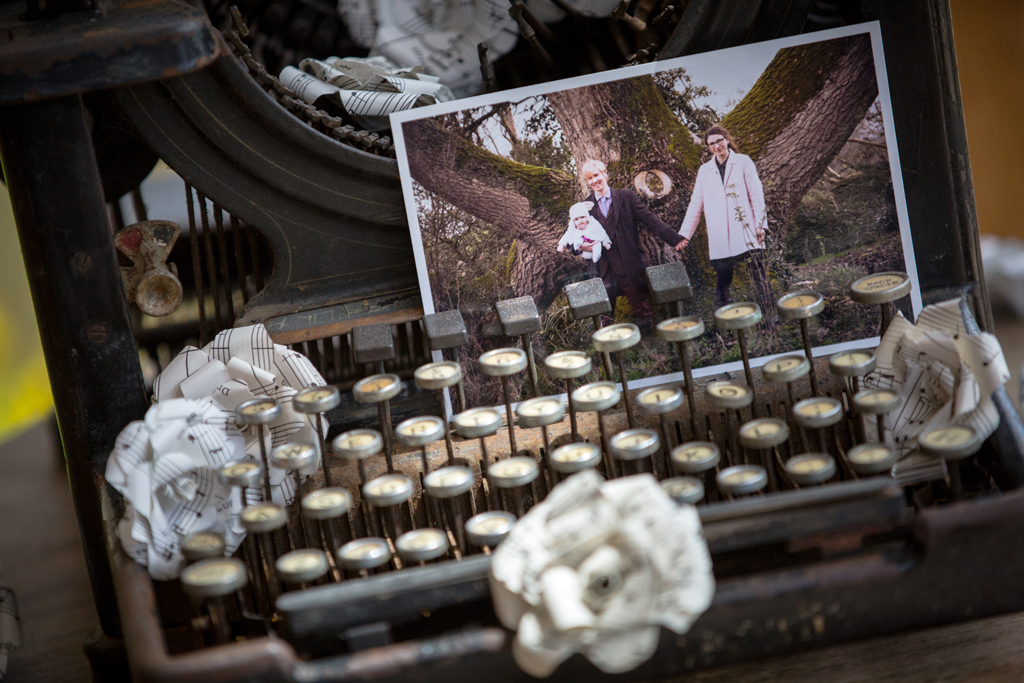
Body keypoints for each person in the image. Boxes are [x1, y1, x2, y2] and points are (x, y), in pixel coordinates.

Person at [677, 125, 775, 316]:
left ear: (727, 140)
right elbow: (695, 204)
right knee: (723, 282)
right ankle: (721, 325)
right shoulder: (705, 171)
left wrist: (760, 225)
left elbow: (756, 195)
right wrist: (684, 235)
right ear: (708, 147)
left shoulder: (743, 162)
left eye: (719, 141)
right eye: (712, 144)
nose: (717, 146)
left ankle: (771, 319)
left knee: (759, 276)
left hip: (746, 231)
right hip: (720, 236)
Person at [579, 159, 685, 326]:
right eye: (590, 178)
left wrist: (675, 238)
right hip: (603, 268)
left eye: (596, 175)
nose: (594, 181)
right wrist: (581, 247)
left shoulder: (626, 197)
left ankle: (647, 337)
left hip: (628, 262)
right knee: (604, 316)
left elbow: (650, 219)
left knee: (641, 308)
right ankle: (609, 342)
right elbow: (572, 235)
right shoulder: (585, 207)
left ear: (605, 174)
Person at [557, 201, 612, 278]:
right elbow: (567, 236)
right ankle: (578, 245)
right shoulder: (573, 228)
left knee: (597, 243)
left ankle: (596, 255)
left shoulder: (593, 224)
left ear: (587, 217)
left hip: (594, 242)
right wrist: (561, 245)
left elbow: (601, 232)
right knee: (577, 240)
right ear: (573, 221)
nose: (580, 220)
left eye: (582, 217)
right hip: (584, 250)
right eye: (576, 219)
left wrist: (606, 242)